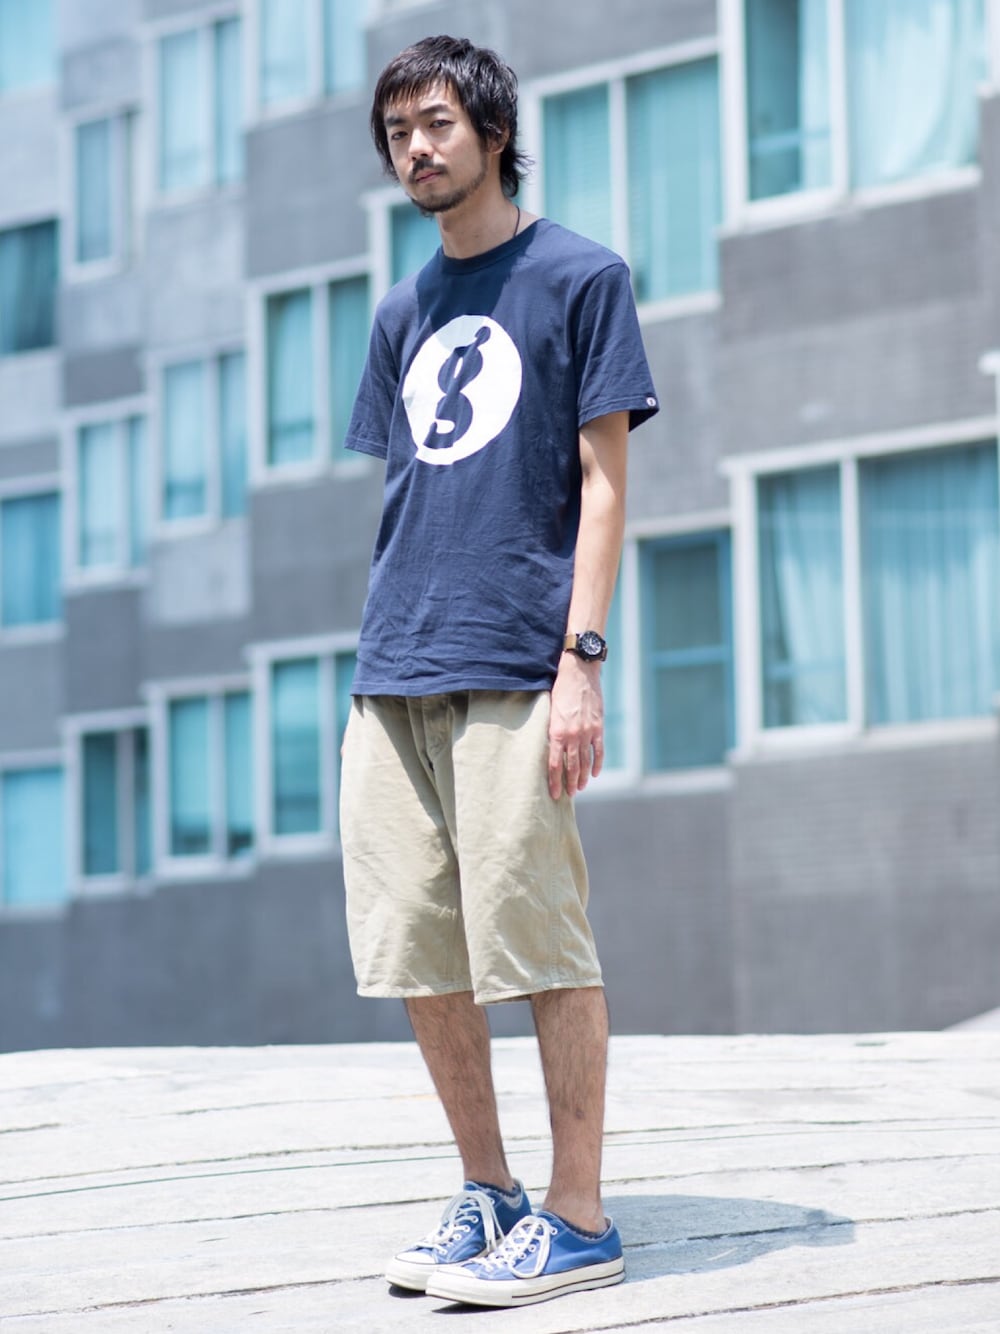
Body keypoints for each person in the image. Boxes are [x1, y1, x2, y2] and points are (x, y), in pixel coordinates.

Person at [339, 34, 658, 1308]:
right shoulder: (400, 310)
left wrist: (581, 659)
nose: (416, 148)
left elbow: (603, 484)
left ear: (492, 131)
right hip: (392, 667)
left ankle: (580, 1215)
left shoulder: (581, 276)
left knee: (538, 936)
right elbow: (414, 492)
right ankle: (490, 1190)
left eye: (435, 123)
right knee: (419, 947)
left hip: (518, 663)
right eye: (397, 133)